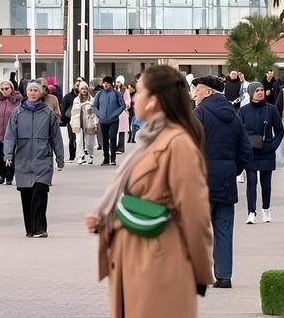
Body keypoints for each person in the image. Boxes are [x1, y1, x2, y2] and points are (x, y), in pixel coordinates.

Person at [85, 65, 215, 317]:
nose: (135, 97)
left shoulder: (178, 144)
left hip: (161, 261)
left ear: (154, 100)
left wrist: (198, 273)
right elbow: (136, 197)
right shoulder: (151, 139)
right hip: (137, 259)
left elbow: (196, 216)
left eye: (140, 91)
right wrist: (108, 218)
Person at [192, 75, 252, 289]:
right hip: (226, 181)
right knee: (224, 229)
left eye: (197, 90)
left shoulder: (199, 114)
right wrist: (232, 170)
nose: (194, 94)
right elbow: (245, 151)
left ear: (207, 92)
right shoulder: (234, 116)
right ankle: (224, 276)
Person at [4, 80, 64, 238]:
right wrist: (8, 155)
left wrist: (60, 157)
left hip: (42, 159)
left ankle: (40, 228)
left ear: (41, 92)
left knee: (40, 192)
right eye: (30, 90)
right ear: (26, 92)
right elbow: (10, 136)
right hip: (23, 159)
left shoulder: (48, 112)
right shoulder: (17, 113)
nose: (32, 93)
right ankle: (30, 229)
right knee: (26, 195)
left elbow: (55, 137)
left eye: (35, 90)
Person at [237, 82, 284, 224]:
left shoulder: (271, 109)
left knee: (266, 184)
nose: (260, 93)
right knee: (251, 183)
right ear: (251, 93)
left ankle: (266, 209)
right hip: (250, 153)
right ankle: (251, 212)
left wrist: (272, 146)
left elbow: (280, 131)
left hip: (266, 151)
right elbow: (238, 132)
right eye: (257, 90)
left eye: (261, 90)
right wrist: (243, 148)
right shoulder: (243, 111)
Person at [0, 80, 23, 185]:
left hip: (12, 133)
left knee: (10, 155)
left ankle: (9, 177)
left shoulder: (17, 100)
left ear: (11, 89)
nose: (4, 91)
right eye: (2, 89)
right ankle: (2, 173)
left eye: (7, 88)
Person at [92, 75, 126, 166]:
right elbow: (94, 106)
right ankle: (106, 158)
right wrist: (99, 114)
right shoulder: (99, 94)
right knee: (105, 139)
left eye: (107, 83)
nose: (105, 85)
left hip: (113, 120)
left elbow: (122, 105)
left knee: (112, 137)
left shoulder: (116, 94)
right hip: (103, 120)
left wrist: (116, 114)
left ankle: (113, 158)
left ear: (111, 84)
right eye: (104, 83)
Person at [70, 82, 97, 164]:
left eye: (85, 89)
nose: (84, 90)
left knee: (89, 141)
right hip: (78, 123)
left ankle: (90, 155)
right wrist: (72, 122)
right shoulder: (76, 100)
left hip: (89, 122)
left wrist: (96, 122)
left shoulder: (92, 100)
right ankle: (79, 156)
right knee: (78, 140)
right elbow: (73, 112)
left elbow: (95, 112)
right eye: (82, 89)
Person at [60, 77, 84, 162]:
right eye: (77, 84)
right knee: (72, 138)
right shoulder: (68, 97)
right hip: (71, 121)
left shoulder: (85, 96)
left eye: (80, 84)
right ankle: (72, 155)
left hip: (83, 120)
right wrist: (66, 120)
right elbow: (63, 109)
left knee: (81, 138)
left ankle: (81, 154)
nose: (78, 86)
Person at [115, 76, 131, 155]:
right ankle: (114, 146)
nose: (117, 83)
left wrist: (123, 107)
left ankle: (121, 147)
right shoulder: (114, 90)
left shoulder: (125, 91)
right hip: (114, 112)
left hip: (122, 113)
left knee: (121, 131)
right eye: (117, 82)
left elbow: (128, 101)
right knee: (114, 130)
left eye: (119, 82)